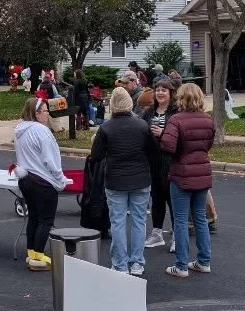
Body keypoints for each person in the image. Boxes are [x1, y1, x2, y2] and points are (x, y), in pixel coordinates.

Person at [90, 87, 158, 276]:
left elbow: (96, 156)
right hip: (140, 178)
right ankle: (137, 262)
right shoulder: (142, 126)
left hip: (115, 179)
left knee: (118, 222)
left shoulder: (106, 128)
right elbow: (154, 152)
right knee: (139, 221)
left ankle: (120, 264)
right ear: (129, 103)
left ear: (112, 105)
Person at [159, 83, 215, 279]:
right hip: (202, 171)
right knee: (200, 217)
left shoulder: (176, 120)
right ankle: (204, 261)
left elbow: (168, 146)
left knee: (181, 220)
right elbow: (208, 144)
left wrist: (162, 136)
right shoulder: (207, 120)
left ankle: (181, 265)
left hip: (181, 173)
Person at [15, 97, 68, 272]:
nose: (47, 114)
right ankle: (38, 256)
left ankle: (31, 252)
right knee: (46, 220)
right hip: (42, 181)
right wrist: (60, 178)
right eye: (45, 111)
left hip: (26, 178)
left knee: (34, 217)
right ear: (37, 114)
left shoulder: (20, 129)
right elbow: (50, 159)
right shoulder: (41, 131)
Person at [140, 78, 179, 249]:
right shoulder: (149, 112)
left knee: (172, 198)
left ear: (171, 93)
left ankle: (177, 235)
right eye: (157, 90)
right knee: (156, 198)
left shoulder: (176, 112)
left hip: (170, 161)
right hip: (153, 161)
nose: (160, 93)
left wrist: (163, 133)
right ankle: (157, 233)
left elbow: (179, 136)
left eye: (164, 90)